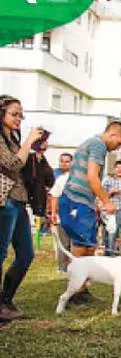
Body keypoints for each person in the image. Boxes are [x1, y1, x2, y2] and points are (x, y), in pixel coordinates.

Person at [58, 121, 121, 303]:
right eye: (119, 143)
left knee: (90, 244)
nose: (117, 148)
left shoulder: (93, 144)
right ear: (113, 135)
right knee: (81, 244)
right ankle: (75, 291)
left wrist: (95, 200)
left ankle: (82, 289)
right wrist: (106, 201)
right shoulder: (98, 146)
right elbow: (92, 177)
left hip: (84, 201)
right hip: (76, 201)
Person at [0, 95, 44, 322]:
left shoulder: (14, 139)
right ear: (2, 113)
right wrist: (28, 142)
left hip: (19, 200)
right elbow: (11, 163)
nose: (19, 118)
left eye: (21, 114)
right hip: (4, 200)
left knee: (26, 254)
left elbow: (25, 168)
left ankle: (5, 300)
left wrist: (36, 152)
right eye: (14, 114)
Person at [23, 140, 54, 233]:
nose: (46, 145)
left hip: (40, 192)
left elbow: (49, 179)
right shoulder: (29, 158)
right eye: (43, 143)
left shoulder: (44, 161)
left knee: (39, 211)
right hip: (29, 191)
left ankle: (41, 230)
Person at [50, 155, 72, 273]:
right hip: (63, 216)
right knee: (63, 242)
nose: (64, 164)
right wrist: (53, 213)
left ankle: (75, 267)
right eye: (62, 161)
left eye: (67, 162)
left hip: (78, 217)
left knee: (76, 243)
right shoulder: (60, 179)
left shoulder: (82, 179)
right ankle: (62, 267)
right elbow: (54, 196)